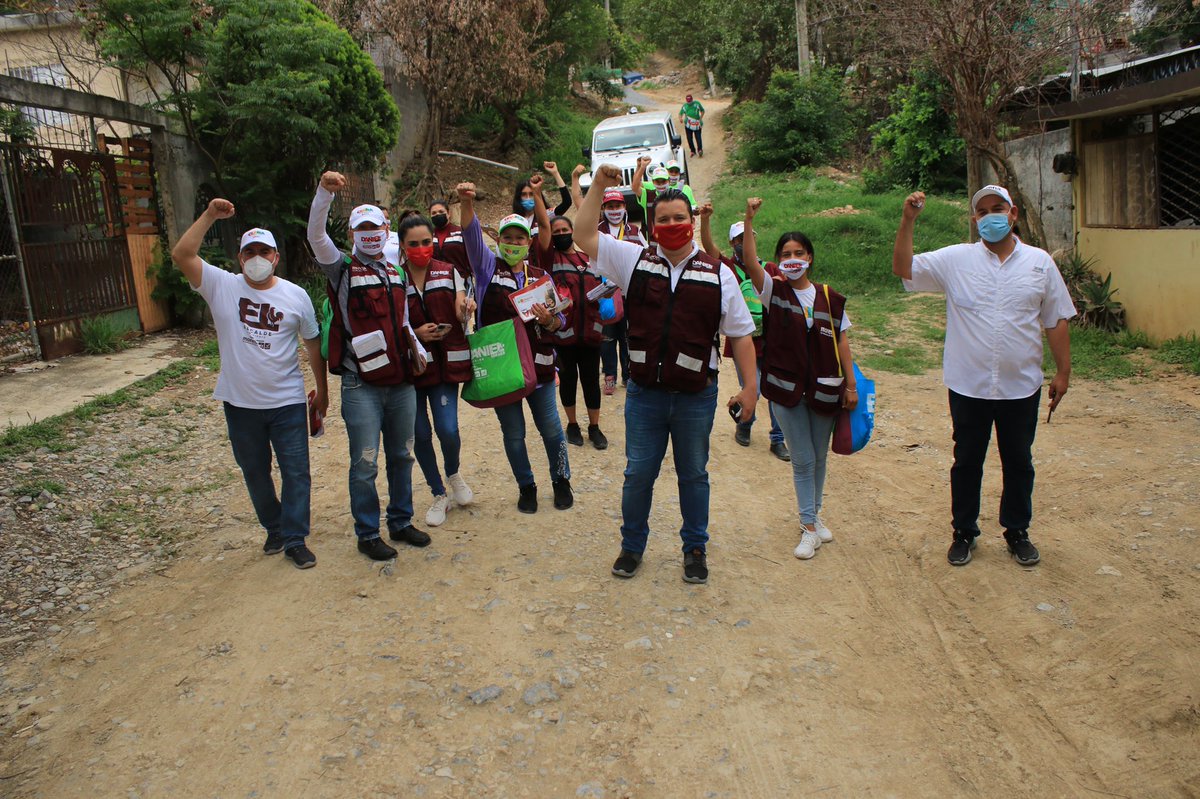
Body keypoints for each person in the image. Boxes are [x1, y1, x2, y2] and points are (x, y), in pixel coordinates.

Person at [575, 163, 759, 585]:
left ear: (691, 222)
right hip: (645, 394)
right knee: (638, 473)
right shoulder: (633, 259)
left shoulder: (720, 274)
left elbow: (742, 336)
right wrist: (601, 186)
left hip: (696, 396)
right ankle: (632, 546)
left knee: (693, 474)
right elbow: (584, 234)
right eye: (663, 219)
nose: (672, 225)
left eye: (680, 218)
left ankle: (695, 548)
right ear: (652, 225)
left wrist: (751, 389)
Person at [893, 184, 1075, 567]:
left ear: (1013, 214)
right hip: (969, 385)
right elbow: (904, 268)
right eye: (983, 211)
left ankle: (1017, 531)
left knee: (1019, 462)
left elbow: (1055, 319)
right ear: (975, 221)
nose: (991, 216)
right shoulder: (956, 260)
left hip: (1020, 386)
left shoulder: (1039, 263)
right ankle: (963, 532)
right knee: (967, 461)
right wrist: (908, 221)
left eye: (999, 208)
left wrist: (1063, 371)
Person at [172, 200, 326, 570]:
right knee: (255, 472)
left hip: (287, 401)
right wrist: (209, 215)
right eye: (249, 252)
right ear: (239, 258)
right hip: (240, 404)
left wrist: (322, 391)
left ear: (276, 257)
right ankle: (274, 526)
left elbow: (312, 345)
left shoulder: (295, 295)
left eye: (264, 251)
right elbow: (182, 253)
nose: (257, 257)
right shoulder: (220, 285)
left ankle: (294, 538)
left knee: (296, 471)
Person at [308, 171, 432, 562]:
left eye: (374, 227)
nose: (369, 234)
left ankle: (400, 521)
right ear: (353, 236)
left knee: (403, 454)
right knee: (365, 462)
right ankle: (367, 532)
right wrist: (324, 195)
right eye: (361, 229)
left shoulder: (395, 270)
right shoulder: (341, 267)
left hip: (401, 381)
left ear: (385, 229)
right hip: (360, 383)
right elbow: (315, 237)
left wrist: (416, 346)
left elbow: (403, 320)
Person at [736, 198, 857, 560]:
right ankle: (807, 527)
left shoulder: (830, 298)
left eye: (799, 252)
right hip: (786, 391)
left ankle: (815, 516)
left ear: (810, 257)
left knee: (819, 457)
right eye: (786, 253)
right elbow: (749, 261)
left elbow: (842, 341)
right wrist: (749, 219)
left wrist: (850, 386)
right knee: (803, 458)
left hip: (825, 389)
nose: (792, 258)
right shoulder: (773, 289)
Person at [457, 180, 574, 513]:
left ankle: (561, 479)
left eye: (519, 238)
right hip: (502, 368)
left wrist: (549, 321)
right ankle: (526, 486)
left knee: (551, 428)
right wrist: (467, 203)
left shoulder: (540, 277)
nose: (513, 243)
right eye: (507, 238)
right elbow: (469, 236)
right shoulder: (486, 269)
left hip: (538, 366)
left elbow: (560, 322)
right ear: (499, 241)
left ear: (529, 242)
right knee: (513, 434)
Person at [399, 213, 477, 527]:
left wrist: (465, 309)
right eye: (413, 244)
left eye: (426, 242)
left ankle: (453, 471)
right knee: (418, 433)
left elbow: (460, 307)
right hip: (411, 367)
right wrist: (415, 334)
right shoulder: (394, 277)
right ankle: (438, 492)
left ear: (434, 240)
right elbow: (391, 321)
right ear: (403, 246)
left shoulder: (450, 271)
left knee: (447, 429)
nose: (421, 248)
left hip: (445, 365)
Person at [699, 203, 789, 460]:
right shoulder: (728, 266)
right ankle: (745, 424)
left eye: (745, 237)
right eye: (737, 239)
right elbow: (708, 247)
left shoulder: (769, 268)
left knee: (776, 389)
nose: (742, 242)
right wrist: (705, 221)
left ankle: (778, 438)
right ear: (731, 242)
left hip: (772, 340)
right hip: (745, 340)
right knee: (753, 387)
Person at [529, 173, 609, 450]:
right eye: (557, 232)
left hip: (592, 332)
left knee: (591, 380)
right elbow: (542, 225)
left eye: (566, 231)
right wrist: (538, 195)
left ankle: (595, 427)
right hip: (563, 332)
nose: (562, 235)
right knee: (569, 380)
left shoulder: (588, 257)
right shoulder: (549, 258)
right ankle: (572, 424)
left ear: (573, 233)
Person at [594, 186, 643, 396]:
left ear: (625, 207)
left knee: (627, 336)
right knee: (607, 337)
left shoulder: (634, 230)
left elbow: (644, 255)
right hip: (604, 294)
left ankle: (627, 375)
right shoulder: (597, 230)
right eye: (610, 206)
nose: (614, 210)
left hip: (628, 293)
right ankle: (610, 375)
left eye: (618, 205)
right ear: (603, 208)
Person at [631, 158, 695, 243]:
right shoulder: (647, 195)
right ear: (653, 182)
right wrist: (641, 167)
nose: (661, 184)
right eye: (658, 182)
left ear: (668, 181)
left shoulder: (676, 195)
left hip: (675, 240)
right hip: (655, 243)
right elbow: (635, 187)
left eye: (663, 181)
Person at [512, 161, 572, 239]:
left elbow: (567, 202)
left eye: (531, 194)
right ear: (518, 197)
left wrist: (555, 173)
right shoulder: (514, 219)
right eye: (524, 194)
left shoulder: (546, 215)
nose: (528, 198)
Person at [429, 199, 471, 279]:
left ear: (448, 213)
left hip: (459, 281)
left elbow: (472, 257)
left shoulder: (461, 232)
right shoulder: (428, 235)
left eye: (441, 212)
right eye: (434, 213)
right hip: (435, 282)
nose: (437, 214)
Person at [679, 93, 705, 157]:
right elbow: (680, 113)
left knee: (698, 137)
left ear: (692, 99)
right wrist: (680, 119)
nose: (689, 103)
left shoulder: (697, 104)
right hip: (688, 125)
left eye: (690, 101)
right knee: (689, 138)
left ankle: (700, 150)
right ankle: (692, 150)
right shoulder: (685, 106)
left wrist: (700, 118)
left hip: (697, 124)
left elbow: (702, 111)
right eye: (688, 101)